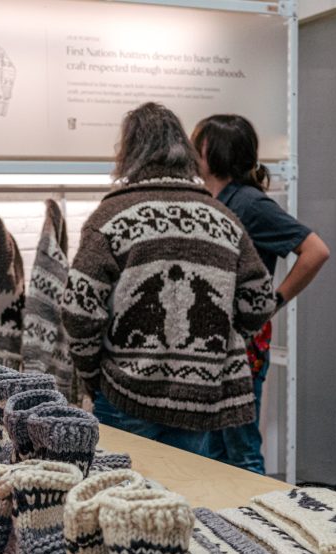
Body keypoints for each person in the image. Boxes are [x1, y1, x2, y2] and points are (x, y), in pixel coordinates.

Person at [61, 102, 276, 454]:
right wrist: (222, 341)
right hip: (197, 399)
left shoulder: (111, 217)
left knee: (120, 486)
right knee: (184, 486)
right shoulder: (222, 218)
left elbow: (78, 311)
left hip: (126, 393)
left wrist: (93, 376)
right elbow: (260, 301)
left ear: (129, 152)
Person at [192, 114, 330, 473]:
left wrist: (274, 302)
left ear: (215, 151)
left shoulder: (250, 203)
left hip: (241, 347)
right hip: (218, 348)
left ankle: (253, 508)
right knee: (216, 450)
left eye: (198, 144)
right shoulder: (216, 201)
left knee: (241, 450)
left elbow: (315, 251)